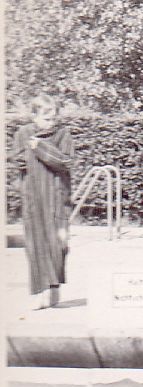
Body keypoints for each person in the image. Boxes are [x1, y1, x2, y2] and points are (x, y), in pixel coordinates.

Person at [8, 94, 74, 310]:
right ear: (34, 116)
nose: (51, 122)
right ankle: (40, 292)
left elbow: (65, 161)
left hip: (56, 198)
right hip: (34, 198)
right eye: (46, 118)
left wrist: (41, 148)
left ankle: (54, 288)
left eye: (54, 117)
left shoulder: (63, 134)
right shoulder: (23, 133)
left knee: (58, 244)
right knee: (36, 244)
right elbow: (18, 161)